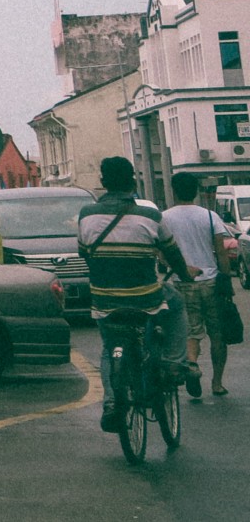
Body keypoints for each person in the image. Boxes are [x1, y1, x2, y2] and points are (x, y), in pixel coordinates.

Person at [80, 156, 192, 431]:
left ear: (103, 182)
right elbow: (172, 253)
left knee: (109, 348)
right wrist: (186, 274)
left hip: (105, 298)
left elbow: (84, 254)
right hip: (146, 298)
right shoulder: (151, 215)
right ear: (132, 181)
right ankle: (175, 363)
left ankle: (110, 404)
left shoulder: (87, 214)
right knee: (176, 304)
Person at [161, 172, 233, 398]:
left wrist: (175, 267)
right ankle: (217, 383)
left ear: (174, 191)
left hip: (182, 282)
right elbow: (221, 252)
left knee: (192, 331)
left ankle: (192, 365)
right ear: (196, 192)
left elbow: (161, 254)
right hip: (211, 282)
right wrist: (226, 280)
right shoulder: (210, 217)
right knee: (217, 333)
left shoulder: (164, 218)